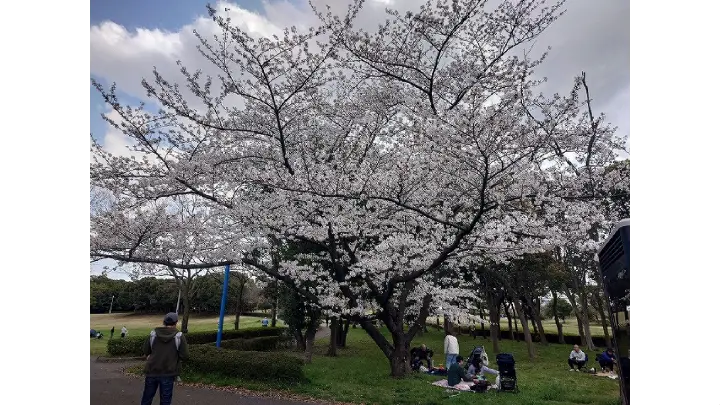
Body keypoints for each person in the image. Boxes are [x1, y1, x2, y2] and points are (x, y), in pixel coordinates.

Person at [140, 312, 190, 405]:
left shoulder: (153, 334)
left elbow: (146, 350)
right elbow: (185, 355)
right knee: (165, 400)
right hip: (168, 372)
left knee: (147, 398)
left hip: (151, 370)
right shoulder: (179, 336)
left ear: (164, 322)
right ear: (176, 322)